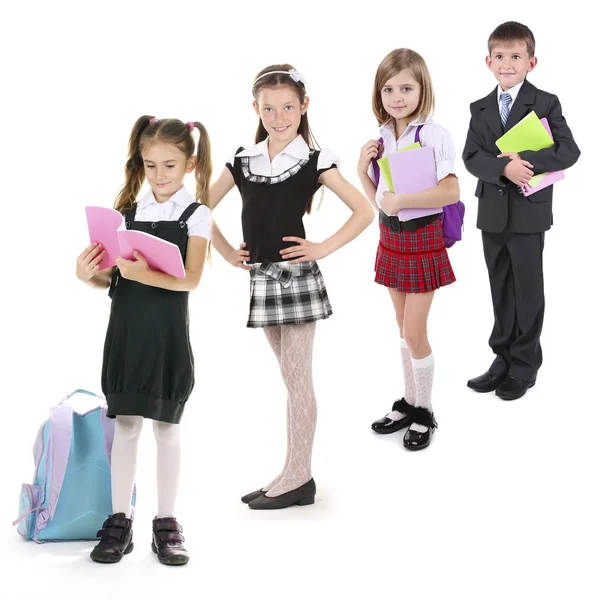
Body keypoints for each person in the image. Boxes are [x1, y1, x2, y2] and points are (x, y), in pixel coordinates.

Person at [210, 64, 374, 509]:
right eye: (268, 108)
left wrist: (322, 247)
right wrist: (226, 252)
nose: (279, 116)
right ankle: (290, 471)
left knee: (298, 377)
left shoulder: (315, 159)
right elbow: (198, 208)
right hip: (262, 277)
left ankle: (299, 476)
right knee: (289, 376)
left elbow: (364, 211)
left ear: (304, 106)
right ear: (255, 109)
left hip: (297, 279)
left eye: (288, 107)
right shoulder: (242, 158)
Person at [76, 116, 212, 564]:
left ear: (189, 164)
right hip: (127, 333)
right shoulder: (128, 215)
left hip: (167, 336)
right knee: (128, 427)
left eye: (170, 165)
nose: (160, 175)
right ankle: (120, 520)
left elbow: (191, 280)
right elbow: (109, 280)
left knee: (167, 429)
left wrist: (144, 271)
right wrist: (88, 272)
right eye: (150, 165)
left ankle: (167, 523)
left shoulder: (197, 216)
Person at [463, 21, 580, 400]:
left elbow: (568, 151)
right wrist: (502, 169)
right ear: (488, 61)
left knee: (528, 289)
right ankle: (502, 358)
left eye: (516, 56)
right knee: (500, 288)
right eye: (500, 56)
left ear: (532, 61)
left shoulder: (545, 102)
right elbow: (471, 157)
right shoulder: (479, 108)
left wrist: (523, 160)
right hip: (492, 213)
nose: (507, 63)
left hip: (529, 212)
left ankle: (525, 365)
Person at [358, 48, 460, 450]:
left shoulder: (433, 133)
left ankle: (426, 411)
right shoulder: (383, 136)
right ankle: (409, 401)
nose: (396, 96)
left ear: (422, 89)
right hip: (390, 236)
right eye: (388, 89)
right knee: (402, 328)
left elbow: (451, 189)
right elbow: (382, 200)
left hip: (422, 238)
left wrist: (404, 202)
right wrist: (360, 172)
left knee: (415, 332)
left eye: (406, 87)